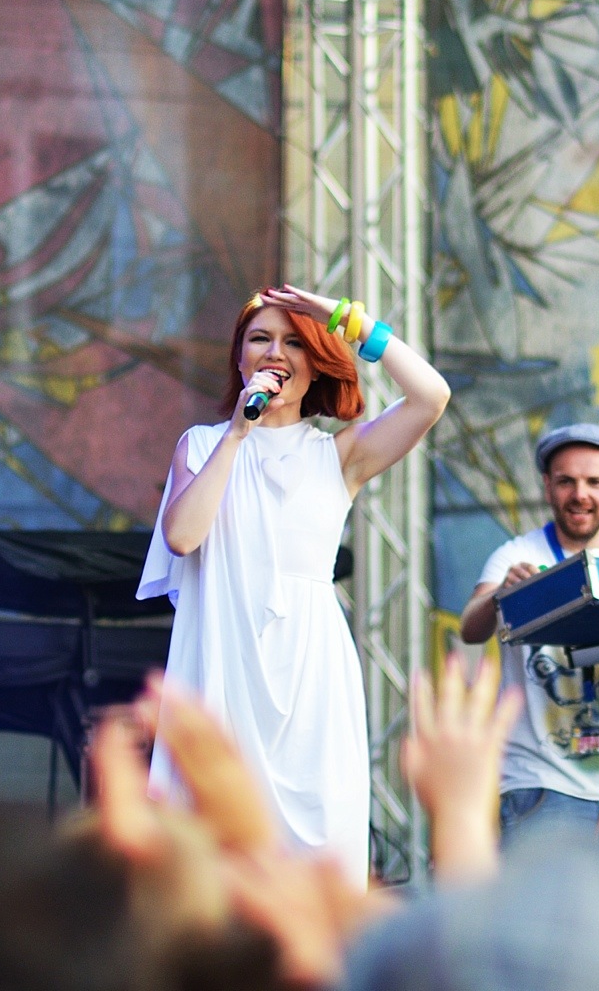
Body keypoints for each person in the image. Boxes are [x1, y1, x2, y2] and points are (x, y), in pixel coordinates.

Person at [138, 285, 450, 884]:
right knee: (214, 858)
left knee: (318, 858)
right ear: (239, 359)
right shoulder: (201, 445)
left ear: (316, 363)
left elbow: (431, 397)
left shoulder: (341, 455)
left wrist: (349, 321)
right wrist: (237, 433)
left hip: (310, 673)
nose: (275, 352)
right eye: (260, 339)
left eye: (293, 342)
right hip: (224, 662)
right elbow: (182, 536)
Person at [458, 423, 599, 850]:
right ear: (548, 487)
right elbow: (471, 629)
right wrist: (502, 595)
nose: (580, 494)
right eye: (567, 481)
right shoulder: (517, 554)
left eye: (595, 483)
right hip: (537, 784)